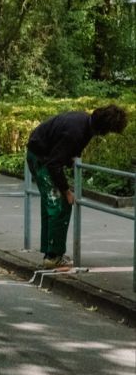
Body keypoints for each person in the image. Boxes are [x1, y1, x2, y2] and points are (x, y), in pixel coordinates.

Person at [26, 104, 128, 269]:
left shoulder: (85, 122)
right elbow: (54, 164)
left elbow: (69, 151)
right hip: (41, 158)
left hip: (41, 152)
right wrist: (66, 191)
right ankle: (53, 257)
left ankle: (50, 251)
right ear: (102, 128)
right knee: (60, 205)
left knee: (51, 204)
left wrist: (72, 159)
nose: (106, 135)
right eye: (108, 131)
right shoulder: (76, 132)